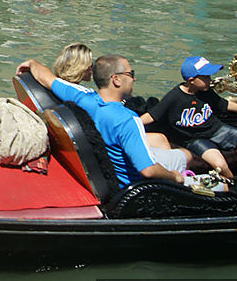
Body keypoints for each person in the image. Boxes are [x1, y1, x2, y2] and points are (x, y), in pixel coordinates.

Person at [16, 55, 185, 187]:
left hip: (106, 167)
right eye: (130, 74)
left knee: (163, 143)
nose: (134, 79)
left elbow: (47, 78)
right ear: (116, 79)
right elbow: (148, 170)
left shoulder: (82, 98)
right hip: (133, 184)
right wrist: (174, 176)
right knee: (185, 157)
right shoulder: (128, 119)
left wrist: (32, 63)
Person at [139, 56, 237, 179]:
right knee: (220, 165)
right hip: (195, 140)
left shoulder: (206, 91)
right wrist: (132, 125)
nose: (210, 79)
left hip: (217, 130)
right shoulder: (174, 97)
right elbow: (152, 116)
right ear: (192, 80)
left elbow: (225, 105)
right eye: (206, 77)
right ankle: (236, 187)